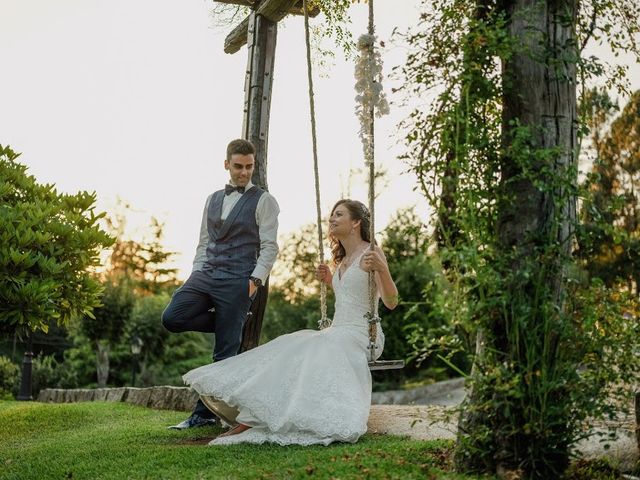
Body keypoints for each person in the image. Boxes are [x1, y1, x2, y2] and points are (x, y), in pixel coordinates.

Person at [183, 199, 398, 445]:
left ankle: (251, 421)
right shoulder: (340, 261)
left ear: (356, 222)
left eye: (339, 215)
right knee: (292, 343)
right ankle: (254, 417)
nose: (332, 219)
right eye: (331, 215)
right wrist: (331, 281)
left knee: (314, 345)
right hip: (337, 333)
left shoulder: (372, 253)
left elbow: (391, 302)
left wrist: (383, 269)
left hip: (363, 336)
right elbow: (352, 296)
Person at [161, 138, 280, 429]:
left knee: (224, 353)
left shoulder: (265, 201)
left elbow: (270, 247)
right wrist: (196, 272)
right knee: (172, 317)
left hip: (238, 280)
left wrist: (254, 282)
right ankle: (232, 320)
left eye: (249, 167)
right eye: (238, 166)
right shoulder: (213, 198)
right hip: (205, 275)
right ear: (226, 164)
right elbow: (204, 240)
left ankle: (204, 415)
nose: (244, 173)